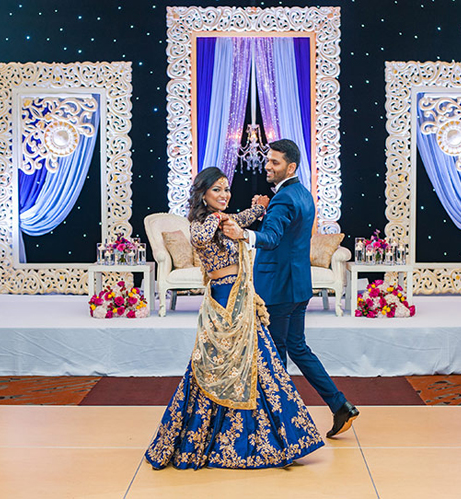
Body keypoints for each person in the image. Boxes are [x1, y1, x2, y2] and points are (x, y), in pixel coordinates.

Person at [145, 167, 323, 470]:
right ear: (203, 193)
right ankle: (209, 441)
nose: (224, 195)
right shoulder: (201, 224)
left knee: (263, 367)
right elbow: (200, 235)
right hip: (224, 305)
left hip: (242, 301)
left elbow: (244, 220)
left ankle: (280, 439)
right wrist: (224, 218)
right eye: (217, 190)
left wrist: (258, 208)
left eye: (226, 189)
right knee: (216, 368)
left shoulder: (226, 220)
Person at [222, 139, 359, 438]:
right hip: (297, 286)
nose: (267, 166)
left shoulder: (284, 198)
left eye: (275, 162)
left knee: (274, 354)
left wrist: (242, 233)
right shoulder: (302, 193)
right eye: (268, 161)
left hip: (277, 289)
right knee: (295, 347)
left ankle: (282, 426)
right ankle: (339, 406)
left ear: (291, 166)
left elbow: (270, 238)